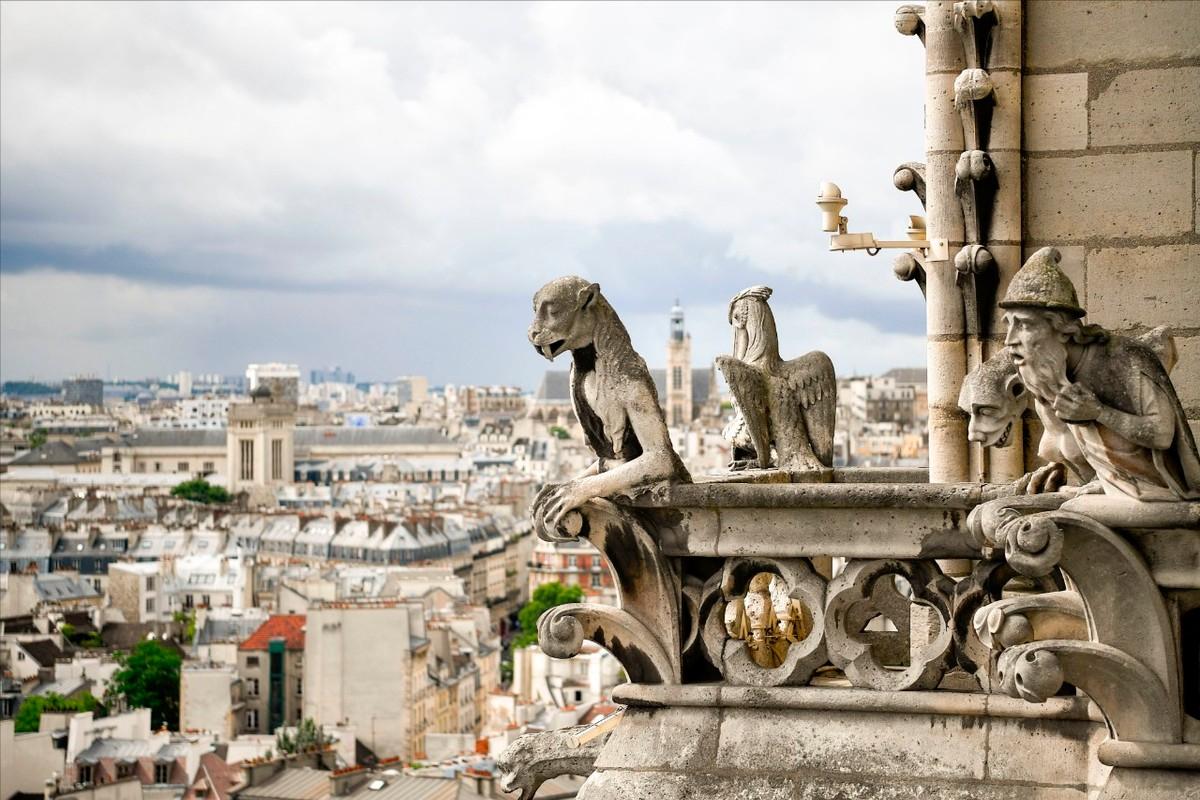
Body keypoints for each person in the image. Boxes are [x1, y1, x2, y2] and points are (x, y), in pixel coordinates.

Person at [999, 247, 1200, 501]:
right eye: (1009, 325)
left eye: (1024, 325)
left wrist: (1099, 412)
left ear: (1064, 329)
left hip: (1158, 496)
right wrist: (1059, 467)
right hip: (1113, 489)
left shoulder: (1125, 358)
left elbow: (1161, 434)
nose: (1009, 340)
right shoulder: (1051, 375)